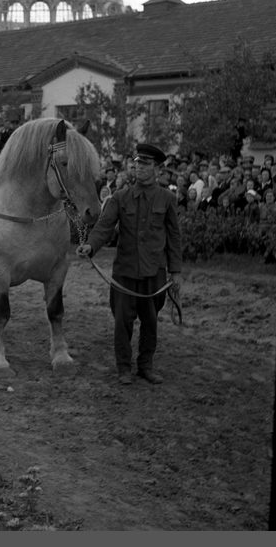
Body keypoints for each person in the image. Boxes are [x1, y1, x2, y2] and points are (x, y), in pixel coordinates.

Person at [76, 143, 182, 386]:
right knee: (122, 322)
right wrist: (91, 246)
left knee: (151, 322)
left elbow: (174, 237)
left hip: (154, 272)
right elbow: (103, 227)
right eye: (136, 163)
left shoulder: (167, 199)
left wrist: (175, 271)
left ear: (158, 169)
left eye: (145, 164)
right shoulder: (119, 198)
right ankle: (124, 368)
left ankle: (146, 366)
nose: (138, 167)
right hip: (125, 272)